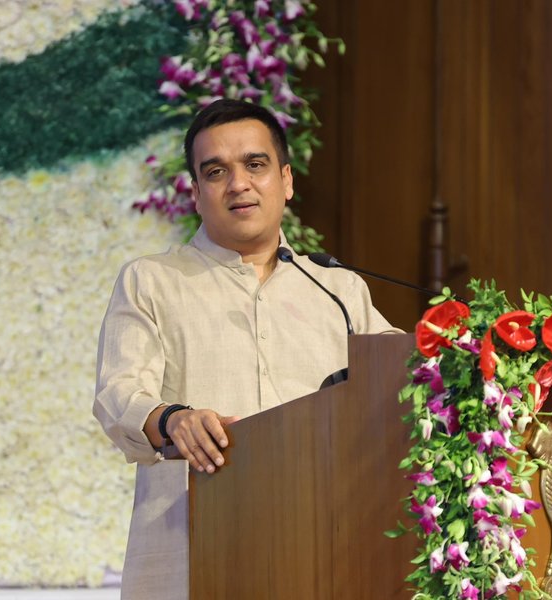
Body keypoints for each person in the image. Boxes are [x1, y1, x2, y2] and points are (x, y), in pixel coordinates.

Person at [94, 98, 399, 599]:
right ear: (196, 193)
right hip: (195, 549)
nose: (238, 183)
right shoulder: (152, 281)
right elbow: (117, 393)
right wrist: (173, 419)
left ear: (286, 180)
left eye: (255, 165)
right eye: (216, 172)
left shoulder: (337, 288)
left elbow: (403, 377)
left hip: (325, 551)